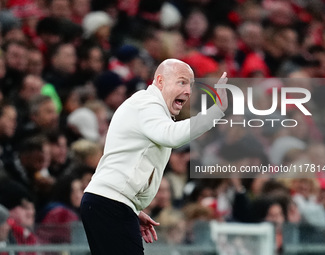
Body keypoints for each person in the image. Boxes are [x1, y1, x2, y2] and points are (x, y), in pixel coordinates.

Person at [80, 58, 228, 255]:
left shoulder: (150, 108)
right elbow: (172, 135)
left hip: (111, 203)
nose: (188, 91)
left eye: (190, 85)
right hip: (110, 204)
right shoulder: (147, 103)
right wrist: (215, 111)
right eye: (182, 82)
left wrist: (133, 208)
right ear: (160, 81)